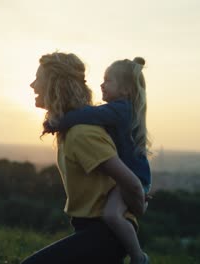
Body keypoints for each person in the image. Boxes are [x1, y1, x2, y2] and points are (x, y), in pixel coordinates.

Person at [21, 52, 147, 264]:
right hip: (90, 230)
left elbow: (133, 184)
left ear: (54, 84)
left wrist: (138, 205)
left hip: (105, 234)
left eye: (38, 78)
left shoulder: (82, 133)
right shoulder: (72, 130)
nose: (32, 85)